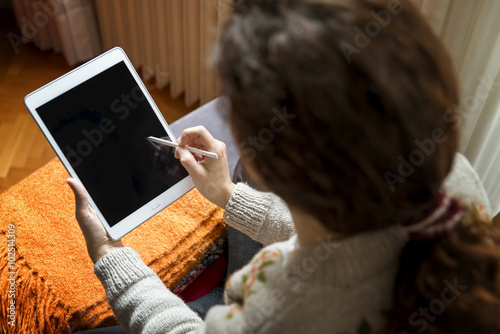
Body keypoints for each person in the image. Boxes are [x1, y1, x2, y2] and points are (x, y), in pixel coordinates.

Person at [68, 0, 500, 333]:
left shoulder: (287, 311)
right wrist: (229, 196)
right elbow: (348, 242)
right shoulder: (453, 178)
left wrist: (110, 255)